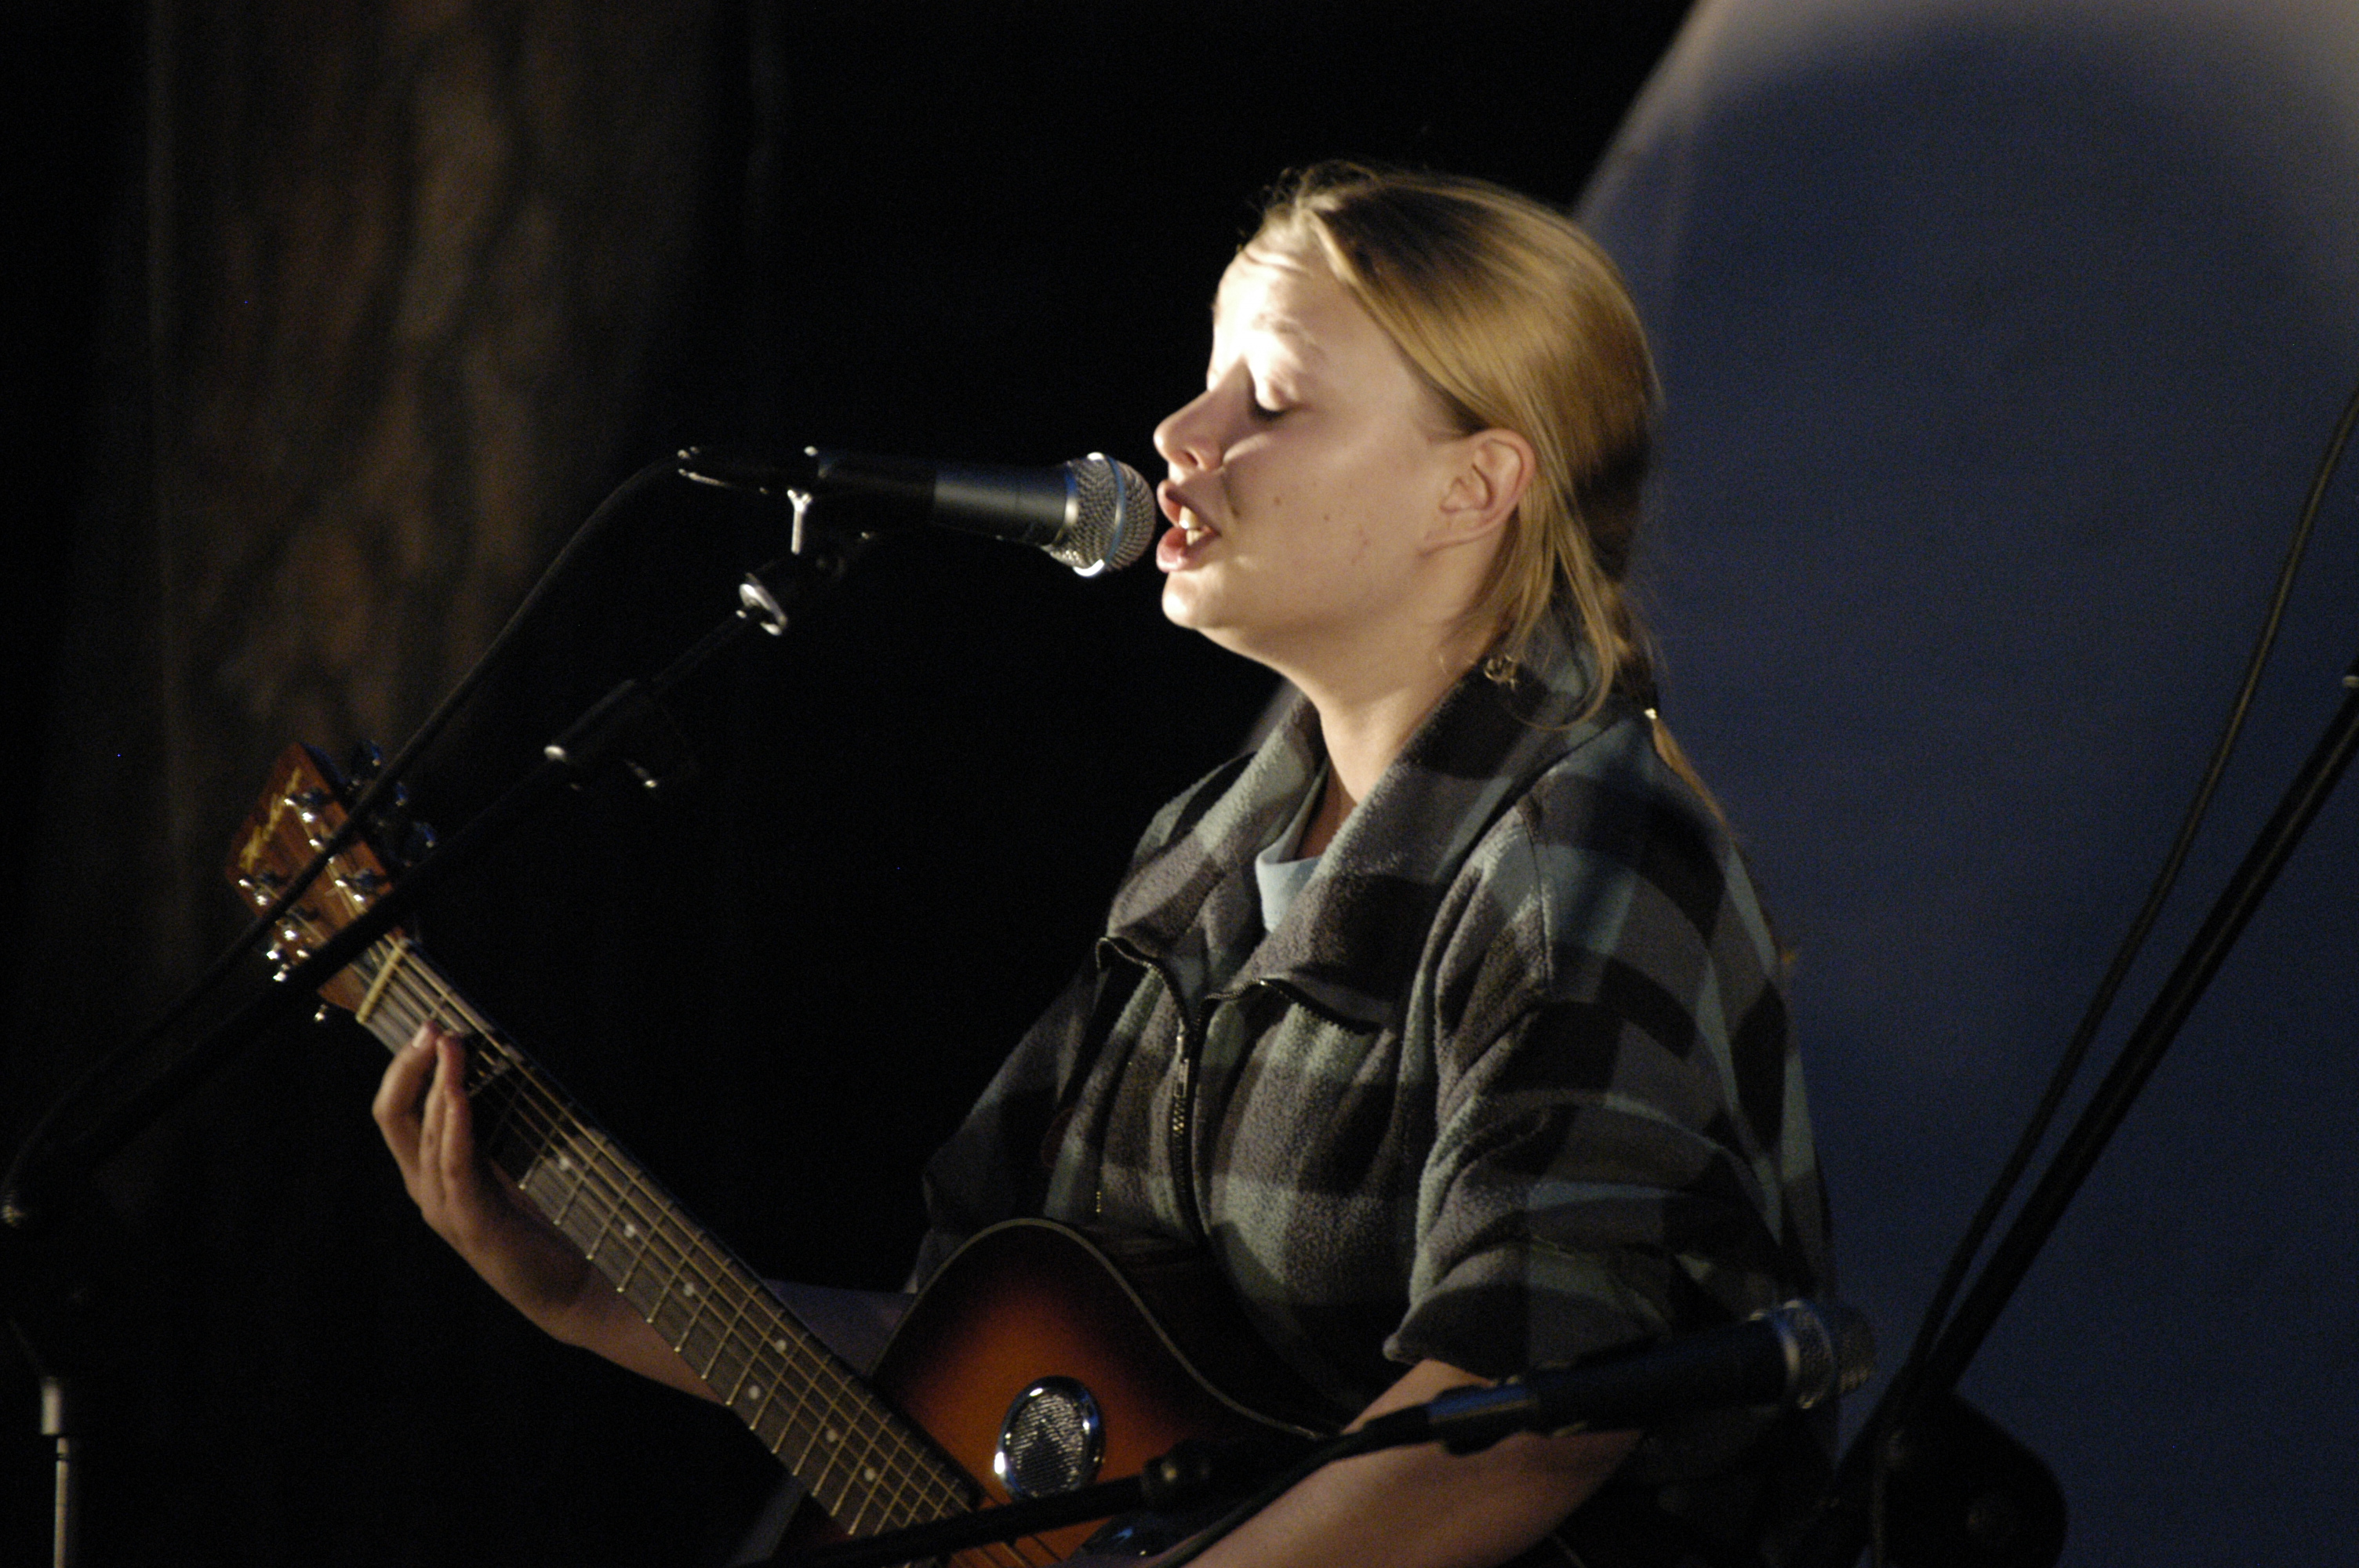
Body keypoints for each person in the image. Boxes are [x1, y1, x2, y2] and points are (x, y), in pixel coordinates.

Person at [376, 163, 1834, 1568]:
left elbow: (1531, 1417)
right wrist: (586, 1291)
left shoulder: (1586, 860)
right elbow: (992, 1359)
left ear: (1474, 487)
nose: (1181, 433)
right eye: (1207, 382)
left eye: (1271, 398)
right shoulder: (1204, 854)